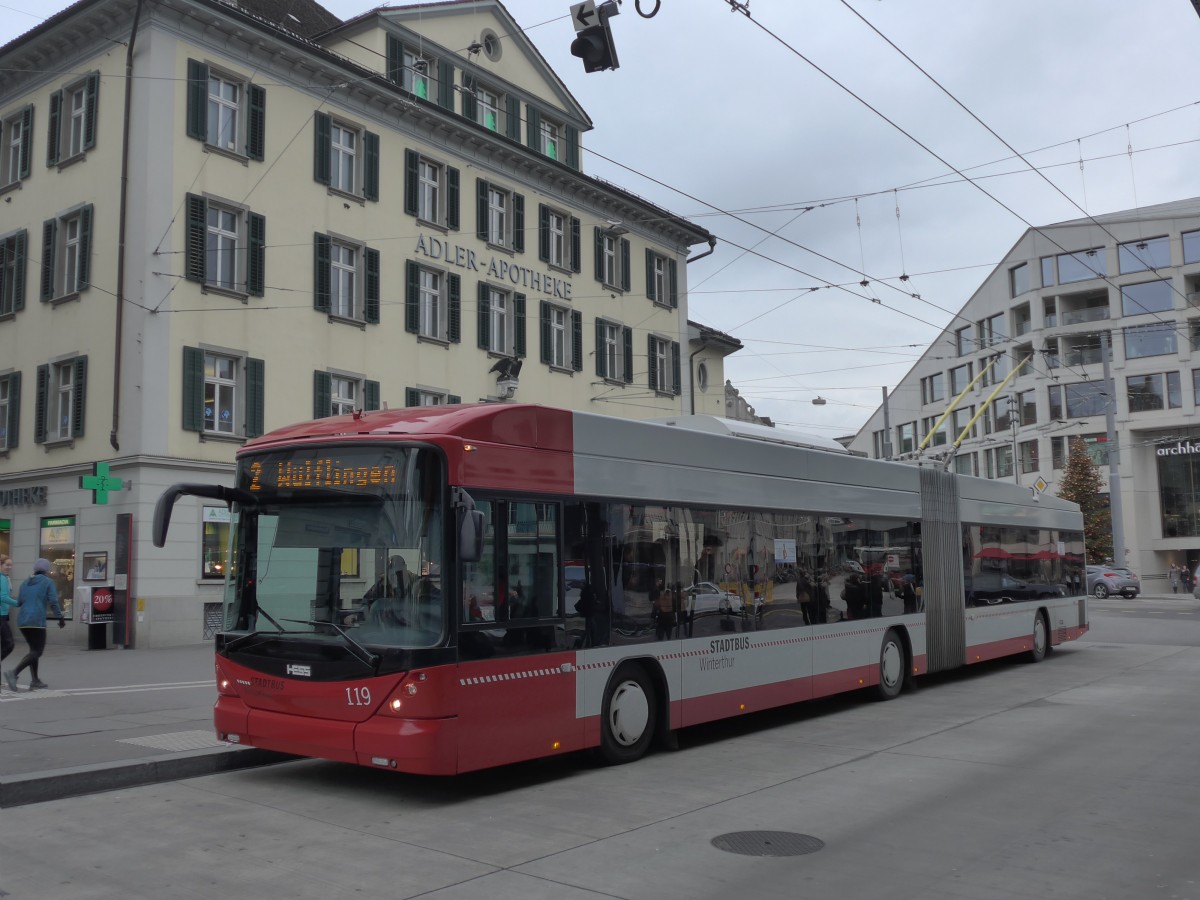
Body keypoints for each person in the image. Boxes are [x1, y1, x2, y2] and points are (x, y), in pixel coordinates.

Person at [4, 558, 66, 692]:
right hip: (36, 621)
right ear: (46, 570)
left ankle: (35, 680)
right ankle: (13, 673)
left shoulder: (25, 583)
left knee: (33, 650)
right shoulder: (48, 582)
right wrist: (60, 617)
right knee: (37, 651)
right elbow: (53, 601)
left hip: (23, 621)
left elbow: (19, 602)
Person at [1, 555, 17, 672]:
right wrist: (18, 603)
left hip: (3, 615)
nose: (9, 567)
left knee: (5, 645)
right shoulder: (2, 578)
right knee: (9, 644)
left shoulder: (5, 578)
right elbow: (3, 597)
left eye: (10, 565)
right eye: (7, 564)